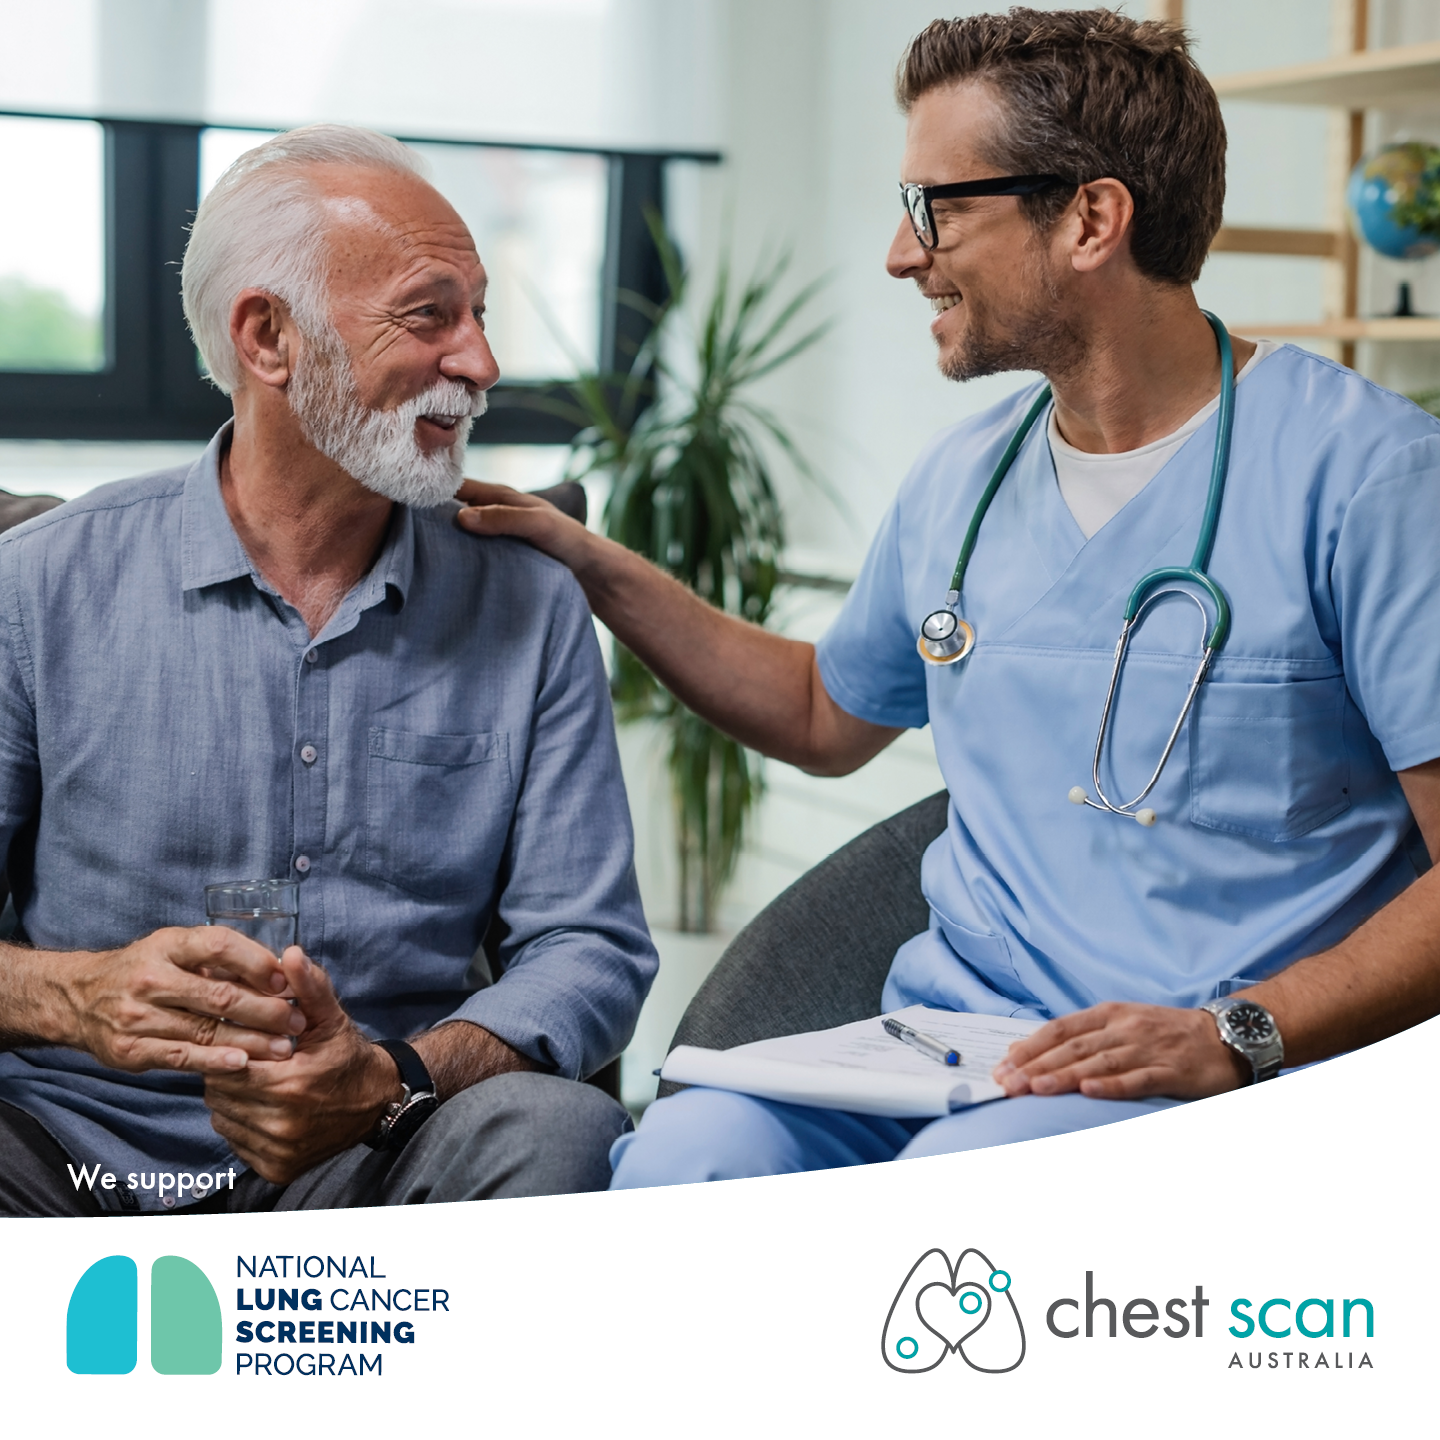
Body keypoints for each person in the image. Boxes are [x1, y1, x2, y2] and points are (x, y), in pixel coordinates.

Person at [451, 10, 1440, 1186]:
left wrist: (1241, 1034)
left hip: (1201, 1065)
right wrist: (592, 563)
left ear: (1091, 220)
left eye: (936, 208)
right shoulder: (965, 479)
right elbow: (822, 713)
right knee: (685, 1160)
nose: (900, 253)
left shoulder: (1370, 479)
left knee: (957, 1196)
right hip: (947, 1043)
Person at [0, 124, 656, 1215]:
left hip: (375, 1152)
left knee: (565, 1131)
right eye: (429, 315)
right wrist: (74, 996)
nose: (482, 364)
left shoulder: (529, 601)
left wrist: (394, 1081)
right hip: (67, 1153)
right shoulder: (34, 587)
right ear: (269, 338)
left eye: (479, 314)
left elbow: (590, 946)